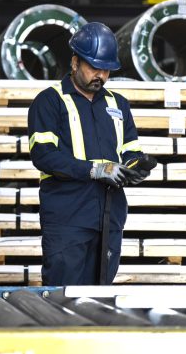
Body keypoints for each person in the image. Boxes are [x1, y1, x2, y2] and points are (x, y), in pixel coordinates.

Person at [27, 22, 150, 286]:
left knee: (100, 297)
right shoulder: (50, 101)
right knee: (63, 294)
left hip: (110, 217)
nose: (101, 75)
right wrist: (94, 170)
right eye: (94, 67)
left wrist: (135, 167)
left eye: (106, 70)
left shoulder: (118, 104)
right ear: (75, 63)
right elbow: (43, 155)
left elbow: (131, 150)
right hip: (67, 219)